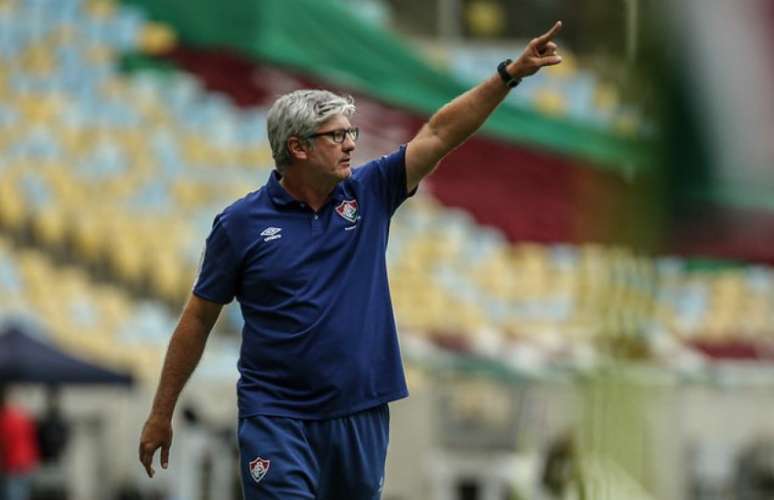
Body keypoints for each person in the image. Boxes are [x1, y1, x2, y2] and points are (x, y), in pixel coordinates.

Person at [139, 20, 563, 499]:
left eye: (351, 132)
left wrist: (508, 75)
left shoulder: (371, 191)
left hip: (360, 412)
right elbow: (198, 319)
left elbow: (441, 133)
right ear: (297, 147)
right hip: (277, 417)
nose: (352, 144)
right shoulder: (240, 225)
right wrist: (161, 411)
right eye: (337, 135)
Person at [0, 386, 40, 500]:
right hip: (26, 460)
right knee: (21, 492)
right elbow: (32, 439)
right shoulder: (25, 417)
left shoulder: (5, 418)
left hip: (12, 462)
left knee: (12, 492)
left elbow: (4, 442)